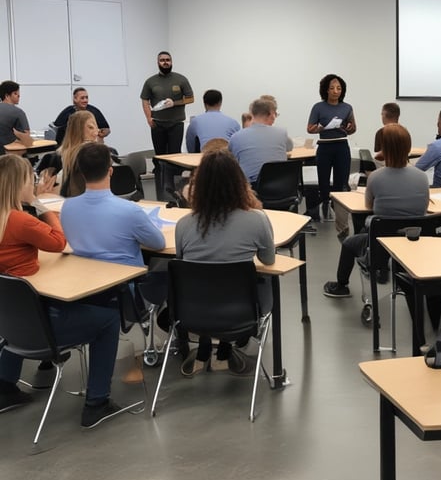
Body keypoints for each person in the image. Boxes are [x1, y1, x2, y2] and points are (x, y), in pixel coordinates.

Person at [0, 154, 126, 428]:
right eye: (30, 181)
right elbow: (58, 241)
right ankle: (97, 403)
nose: (34, 184)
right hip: (41, 326)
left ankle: (5, 386)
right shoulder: (20, 221)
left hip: (10, 324)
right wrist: (40, 205)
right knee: (109, 320)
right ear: (18, 185)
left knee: (17, 306)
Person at [322, 124, 441, 343]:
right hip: (416, 249)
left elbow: (369, 206)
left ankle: (341, 285)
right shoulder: (421, 177)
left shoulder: (376, 178)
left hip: (381, 247)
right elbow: (424, 206)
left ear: (383, 149)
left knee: (350, 242)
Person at [175, 149, 275, 376]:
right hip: (242, 310)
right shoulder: (256, 220)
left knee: (203, 280)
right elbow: (268, 259)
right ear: (240, 183)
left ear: (198, 185)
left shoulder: (184, 225)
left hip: (193, 311)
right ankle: (225, 350)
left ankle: (208, 347)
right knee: (264, 280)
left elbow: (182, 263)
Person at [61, 142, 165, 267]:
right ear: (110, 171)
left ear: (82, 173)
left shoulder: (67, 207)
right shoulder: (130, 211)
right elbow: (158, 244)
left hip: (85, 275)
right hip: (125, 276)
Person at [140, 51, 194, 198]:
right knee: (160, 158)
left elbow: (190, 98)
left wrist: (174, 103)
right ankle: (161, 192)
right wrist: (148, 118)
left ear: (171, 62)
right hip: (157, 124)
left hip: (176, 124)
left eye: (167, 60)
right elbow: (144, 100)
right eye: (162, 60)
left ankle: (175, 192)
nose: (165, 62)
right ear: (158, 63)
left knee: (174, 157)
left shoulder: (181, 79)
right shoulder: (150, 81)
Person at [306, 74, 357, 224]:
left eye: (339, 88)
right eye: (332, 88)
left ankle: (339, 208)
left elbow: (353, 129)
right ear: (326, 90)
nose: (336, 91)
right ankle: (325, 206)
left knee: (341, 180)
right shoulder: (318, 107)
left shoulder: (347, 108)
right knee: (323, 180)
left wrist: (349, 127)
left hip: (342, 146)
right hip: (325, 146)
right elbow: (310, 128)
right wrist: (321, 128)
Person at [229, 97, 293, 184]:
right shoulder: (282, 133)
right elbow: (289, 147)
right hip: (282, 186)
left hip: (251, 189)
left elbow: (232, 158)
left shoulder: (235, 137)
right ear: (271, 115)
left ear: (251, 114)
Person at [40, 110, 100, 198]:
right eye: (90, 128)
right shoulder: (56, 159)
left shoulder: (102, 155)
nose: (96, 133)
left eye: (96, 128)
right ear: (77, 131)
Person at [184, 89, 239, 153]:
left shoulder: (195, 121)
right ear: (220, 103)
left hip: (204, 156)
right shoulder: (233, 123)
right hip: (226, 157)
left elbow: (190, 147)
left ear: (204, 103)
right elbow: (238, 145)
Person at [0, 80, 33, 155]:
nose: (19, 96)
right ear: (7, 96)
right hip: (9, 155)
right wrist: (17, 133)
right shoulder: (18, 112)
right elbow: (27, 139)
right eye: (15, 93)